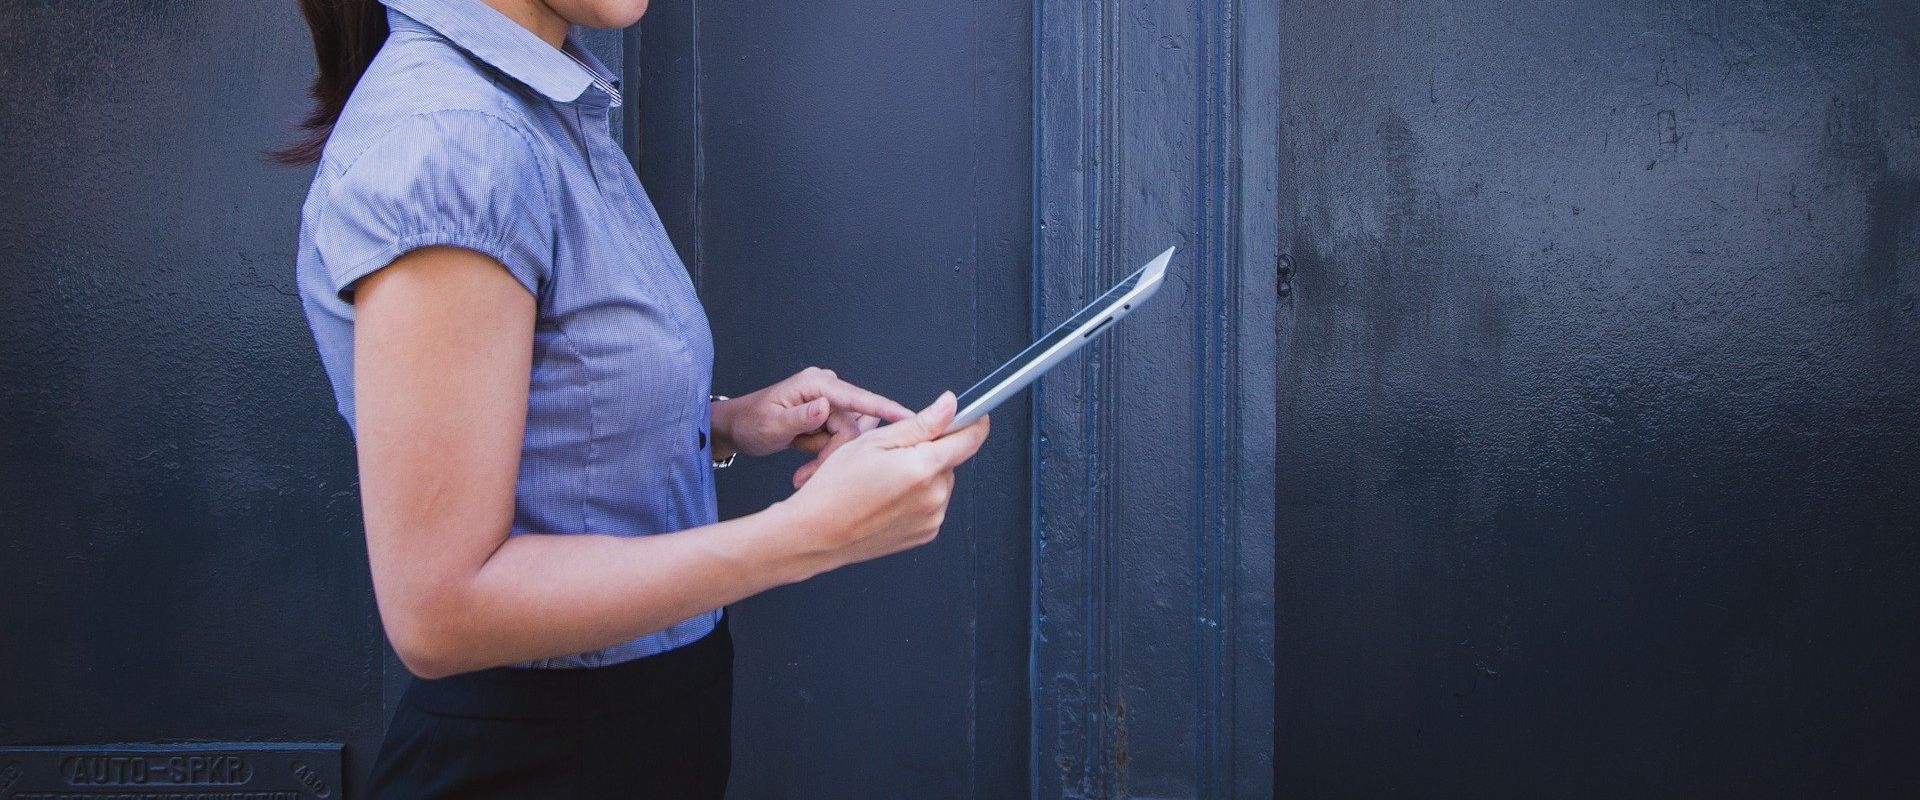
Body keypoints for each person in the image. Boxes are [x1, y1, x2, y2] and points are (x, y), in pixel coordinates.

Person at [276, 0, 990, 795]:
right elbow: (441, 610)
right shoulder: (453, 137)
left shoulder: (533, 101)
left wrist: (722, 425)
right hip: (538, 762)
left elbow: (539, 419)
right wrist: (808, 535)